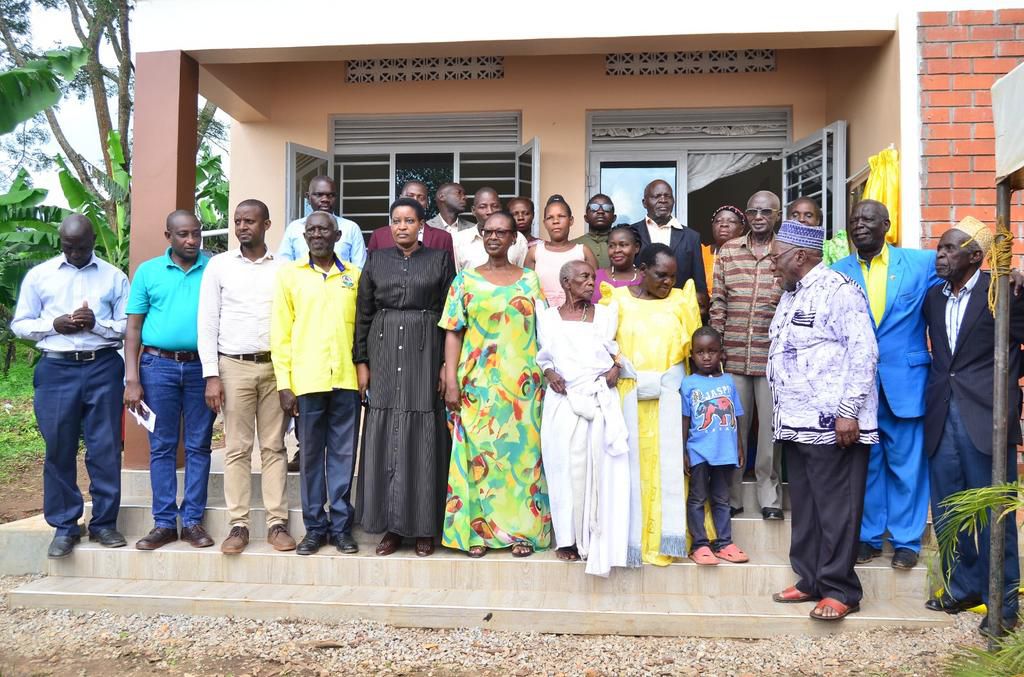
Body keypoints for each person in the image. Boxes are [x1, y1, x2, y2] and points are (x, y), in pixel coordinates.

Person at [767, 220, 878, 622]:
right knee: (808, 508)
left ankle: (840, 589)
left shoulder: (839, 290)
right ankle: (811, 578)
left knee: (836, 510)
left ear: (799, 255)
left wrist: (849, 411)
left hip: (833, 424)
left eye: (775, 257)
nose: (771, 264)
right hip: (796, 423)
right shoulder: (791, 294)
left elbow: (864, 352)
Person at [923, 217, 1023, 637]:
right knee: (948, 509)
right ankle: (962, 587)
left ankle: (1004, 603)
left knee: (993, 512)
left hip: (987, 417)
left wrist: (1008, 389)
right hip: (942, 414)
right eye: (940, 248)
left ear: (975, 257)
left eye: (950, 249)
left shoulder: (1003, 291)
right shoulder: (933, 296)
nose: (940, 255)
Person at [10, 214, 130, 558]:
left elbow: (127, 326)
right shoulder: (40, 276)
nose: (75, 253)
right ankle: (65, 526)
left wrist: (97, 324)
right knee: (59, 447)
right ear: (60, 242)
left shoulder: (114, 276)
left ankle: (104, 523)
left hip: (102, 366)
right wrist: (54, 324)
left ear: (93, 241)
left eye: (81, 247)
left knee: (105, 447)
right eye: (68, 247)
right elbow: (20, 324)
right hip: (56, 369)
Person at [832, 200, 939, 570]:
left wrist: (1010, 275)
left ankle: (907, 541)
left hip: (906, 382)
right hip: (858, 388)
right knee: (868, 464)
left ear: (887, 225)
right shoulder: (837, 272)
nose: (859, 225)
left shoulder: (921, 263)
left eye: (868, 219)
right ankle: (869, 537)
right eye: (854, 220)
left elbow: (963, 272)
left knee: (907, 465)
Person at [440, 211, 551, 558]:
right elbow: (453, 331)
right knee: (476, 457)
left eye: (502, 232)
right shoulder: (464, 281)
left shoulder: (531, 280)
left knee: (523, 459)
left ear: (514, 239)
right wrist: (451, 379)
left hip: (524, 388)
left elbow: (545, 331)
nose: (493, 237)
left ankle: (523, 533)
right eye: (488, 231)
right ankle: (478, 533)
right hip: (478, 386)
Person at [354, 198, 456, 558]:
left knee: (424, 436)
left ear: (421, 225)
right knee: (385, 434)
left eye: (409, 221)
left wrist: (445, 365)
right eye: (396, 221)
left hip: (425, 352)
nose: (402, 227)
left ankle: (424, 527)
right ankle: (392, 528)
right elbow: (363, 313)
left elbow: (450, 315)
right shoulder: (376, 260)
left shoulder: (439, 259)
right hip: (383, 352)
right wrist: (361, 362)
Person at [197, 199, 295, 555]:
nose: (242, 227)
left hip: (274, 367)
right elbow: (207, 321)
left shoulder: (284, 268)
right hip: (233, 366)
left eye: (249, 221)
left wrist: (290, 376)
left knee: (274, 447)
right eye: (238, 221)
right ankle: (238, 525)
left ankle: (276, 523)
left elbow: (292, 320)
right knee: (237, 448)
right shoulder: (219, 266)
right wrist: (211, 374)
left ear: (266, 224)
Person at [601, 243, 701, 567]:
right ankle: (628, 542)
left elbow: (695, 355)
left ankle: (665, 540)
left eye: (672, 276)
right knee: (629, 470)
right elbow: (602, 346)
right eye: (661, 275)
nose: (668, 282)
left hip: (670, 403)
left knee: (667, 469)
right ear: (641, 270)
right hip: (627, 401)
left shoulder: (681, 302)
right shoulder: (616, 300)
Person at [272, 211, 362, 556]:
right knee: (310, 457)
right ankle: (314, 528)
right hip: (306, 381)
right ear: (304, 236)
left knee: (343, 456)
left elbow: (363, 330)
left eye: (324, 229)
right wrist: (284, 384)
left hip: (346, 380)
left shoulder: (354, 276)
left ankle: (340, 528)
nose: (317, 234)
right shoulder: (289, 275)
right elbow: (280, 333)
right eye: (311, 230)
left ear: (338, 236)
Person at [124, 210, 216, 551]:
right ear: (169, 237)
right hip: (157, 367)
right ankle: (163, 522)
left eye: (196, 233)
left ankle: (192, 521)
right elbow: (133, 328)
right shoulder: (148, 272)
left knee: (198, 445)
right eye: (183, 234)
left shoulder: (213, 269)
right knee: (161, 445)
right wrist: (131, 378)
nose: (191, 240)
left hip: (201, 368)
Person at [537, 260, 629, 575]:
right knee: (563, 469)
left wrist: (616, 368)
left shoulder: (605, 314)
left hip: (598, 397)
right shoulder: (548, 317)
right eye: (584, 277)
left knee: (596, 470)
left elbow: (617, 351)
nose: (592, 282)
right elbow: (544, 357)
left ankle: (594, 538)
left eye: (592, 277)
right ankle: (567, 539)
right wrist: (549, 373)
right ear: (566, 283)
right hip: (563, 400)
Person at [710, 190, 784, 520]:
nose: (758, 217)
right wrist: (717, 350)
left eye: (766, 212)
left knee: (769, 432)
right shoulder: (728, 251)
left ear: (777, 215)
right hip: (734, 356)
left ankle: (770, 496)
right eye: (753, 211)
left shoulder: (785, 251)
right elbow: (718, 302)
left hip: (771, 359)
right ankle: (732, 496)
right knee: (733, 429)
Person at [682, 326, 748, 566]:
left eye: (712, 351)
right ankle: (699, 544)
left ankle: (723, 543)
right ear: (692, 355)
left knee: (721, 499)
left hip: (724, 452)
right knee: (697, 498)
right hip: (699, 451)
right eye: (700, 352)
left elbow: (735, 416)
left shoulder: (729, 382)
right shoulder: (688, 383)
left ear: (721, 353)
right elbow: (685, 419)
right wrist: (683, 451)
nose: (706, 357)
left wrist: (739, 447)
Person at [630, 180, 707, 309]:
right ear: (644, 202)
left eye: (668, 196)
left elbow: (698, 282)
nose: (663, 200)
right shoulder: (631, 233)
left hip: (678, 309)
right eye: (656, 196)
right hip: (639, 308)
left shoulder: (691, 237)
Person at [524, 195, 598, 307]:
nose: (555, 221)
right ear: (544, 223)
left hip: (577, 313)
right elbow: (526, 289)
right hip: (542, 314)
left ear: (571, 220)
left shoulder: (583, 251)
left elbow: (595, 288)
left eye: (561, 216)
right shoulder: (535, 252)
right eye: (550, 217)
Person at [277, 175, 366, 268]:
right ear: (308, 197)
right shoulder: (294, 228)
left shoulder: (351, 228)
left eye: (330, 195)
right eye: (319, 195)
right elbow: (283, 265)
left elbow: (360, 268)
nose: (325, 199)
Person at [367, 183, 455, 263]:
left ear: (427, 203)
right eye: (410, 196)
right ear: (400, 198)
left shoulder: (443, 238)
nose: (415, 201)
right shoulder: (378, 236)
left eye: (421, 198)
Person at [452, 187, 528, 271]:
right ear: (473, 210)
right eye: (483, 207)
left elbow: (523, 274)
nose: (490, 211)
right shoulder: (459, 240)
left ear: (501, 208)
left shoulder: (518, 238)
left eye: (495, 206)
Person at [702, 206, 747, 293]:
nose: (724, 224)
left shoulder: (747, 254)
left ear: (741, 229)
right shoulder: (700, 251)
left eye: (731, 221)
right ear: (712, 226)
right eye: (718, 221)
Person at [593, 225, 642, 302]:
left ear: (636, 247)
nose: (616, 250)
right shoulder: (595, 277)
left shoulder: (646, 279)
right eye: (611, 246)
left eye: (623, 245)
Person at [573, 194, 617, 268]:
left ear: (614, 218)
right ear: (586, 218)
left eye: (607, 207)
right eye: (594, 207)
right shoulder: (574, 245)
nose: (600, 211)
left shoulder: (623, 245)